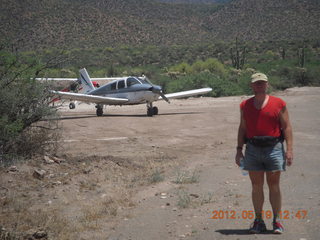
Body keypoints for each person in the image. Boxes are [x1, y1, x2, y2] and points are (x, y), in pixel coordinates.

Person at [235, 73, 293, 234]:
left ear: (267, 84)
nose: (259, 85)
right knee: (256, 186)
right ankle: (259, 220)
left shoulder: (278, 103)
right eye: (256, 83)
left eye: (262, 83)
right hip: (252, 149)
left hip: (273, 148)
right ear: (251, 85)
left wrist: (289, 150)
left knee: (274, 186)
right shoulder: (244, 105)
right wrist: (239, 150)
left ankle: (277, 221)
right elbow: (243, 128)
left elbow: (286, 127)